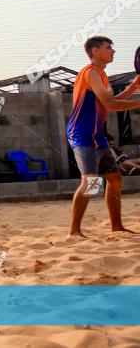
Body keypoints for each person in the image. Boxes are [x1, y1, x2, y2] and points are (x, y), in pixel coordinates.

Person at [67, 36, 140, 238]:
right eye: (109, 48)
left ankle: (116, 227)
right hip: (82, 135)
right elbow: (111, 104)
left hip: (97, 136)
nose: (113, 51)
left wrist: (133, 88)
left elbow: (112, 101)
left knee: (115, 180)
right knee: (91, 182)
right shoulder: (89, 73)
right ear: (95, 51)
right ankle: (74, 232)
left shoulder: (101, 75)